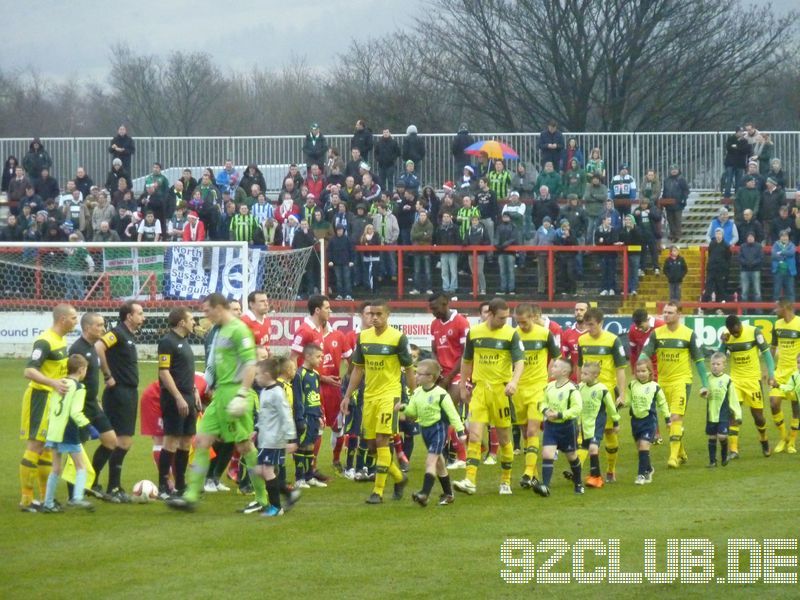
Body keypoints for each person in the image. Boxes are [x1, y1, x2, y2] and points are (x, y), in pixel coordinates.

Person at [167, 293, 268, 512]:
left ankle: (263, 497)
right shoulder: (220, 330)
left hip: (235, 392)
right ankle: (191, 496)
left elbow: (251, 364)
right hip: (220, 394)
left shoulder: (239, 330)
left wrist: (242, 394)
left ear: (219, 308)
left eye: (206, 310)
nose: (204, 315)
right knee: (202, 440)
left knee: (244, 446)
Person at [342, 300, 416, 504]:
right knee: (373, 446)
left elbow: (409, 369)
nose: (374, 317)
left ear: (387, 315)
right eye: (371, 314)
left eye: (378, 314)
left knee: (383, 440)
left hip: (389, 396)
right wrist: (347, 395)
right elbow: (358, 369)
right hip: (370, 396)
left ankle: (378, 491)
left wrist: (415, 395)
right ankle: (399, 478)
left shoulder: (398, 338)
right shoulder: (363, 338)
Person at [453, 298, 525, 496]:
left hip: (501, 392)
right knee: (474, 435)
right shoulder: (474, 333)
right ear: (490, 314)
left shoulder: (511, 334)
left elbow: (520, 362)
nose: (505, 321)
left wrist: (514, 382)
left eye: (507, 317)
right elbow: (467, 360)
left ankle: (505, 480)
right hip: (480, 391)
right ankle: (470, 480)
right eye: (502, 318)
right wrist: (463, 385)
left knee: (503, 438)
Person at [18, 304, 78, 512]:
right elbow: (29, 371)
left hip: (52, 399)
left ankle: (45, 498)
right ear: (62, 319)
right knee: (35, 446)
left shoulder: (61, 339)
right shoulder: (45, 341)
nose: (76, 321)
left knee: (45, 448)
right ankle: (26, 499)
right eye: (73, 317)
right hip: (39, 398)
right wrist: (52, 383)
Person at [640, 302, 709, 469]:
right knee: (670, 422)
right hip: (662, 382)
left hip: (681, 381)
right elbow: (645, 353)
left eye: (670, 312)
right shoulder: (656, 334)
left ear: (679, 314)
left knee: (676, 418)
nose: (666, 315)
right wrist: (641, 369)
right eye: (664, 312)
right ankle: (681, 452)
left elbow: (699, 361)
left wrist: (705, 384)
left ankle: (672, 458)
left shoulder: (689, 335)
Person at [94, 301, 144, 503]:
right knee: (122, 441)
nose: (143, 316)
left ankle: (94, 481)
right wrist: (107, 375)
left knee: (114, 441)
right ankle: (112, 486)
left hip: (128, 392)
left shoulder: (128, 335)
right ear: (128, 316)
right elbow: (98, 346)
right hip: (119, 392)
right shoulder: (117, 333)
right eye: (140, 313)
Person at [67, 313, 118, 501]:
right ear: (87, 328)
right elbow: (71, 380)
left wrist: (96, 400)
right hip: (79, 407)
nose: (103, 328)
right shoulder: (77, 350)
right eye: (99, 325)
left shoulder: (92, 348)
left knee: (111, 441)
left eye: (103, 324)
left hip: (92, 405)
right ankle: (74, 495)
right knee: (76, 450)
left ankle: (91, 481)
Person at [400, 359, 464, 507]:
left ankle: (424, 494)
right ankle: (448, 494)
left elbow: (453, 414)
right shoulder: (417, 393)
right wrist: (403, 408)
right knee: (440, 463)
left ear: (430, 377)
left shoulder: (441, 394)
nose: (416, 376)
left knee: (430, 462)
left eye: (419, 374)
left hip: (438, 430)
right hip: (425, 431)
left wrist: (460, 431)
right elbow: (413, 412)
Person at [577, 308, 628, 483]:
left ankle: (611, 470)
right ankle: (579, 469)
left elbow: (620, 369)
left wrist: (622, 394)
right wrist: (578, 388)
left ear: (600, 323)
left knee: (608, 431)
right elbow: (579, 366)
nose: (588, 328)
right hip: (586, 394)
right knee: (585, 431)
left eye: (591, 324)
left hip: (606, 393)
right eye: (586, 324)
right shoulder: (582, 340)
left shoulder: (613, 340)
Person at [513, 304, 560, 490]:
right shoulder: (513, 335)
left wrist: (549, 377)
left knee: (533, 430)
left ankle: (527, 472)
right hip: (518, 389)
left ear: (533, 317)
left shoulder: (544, 334)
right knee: (526, 433)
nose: (522, 326)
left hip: (538, 388)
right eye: (518, 322)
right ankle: (534, 474)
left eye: (524, 322)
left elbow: (556, 357)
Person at [155, 308, 200, 500]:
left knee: (186, 440)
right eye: (191, 319)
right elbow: (164, 372)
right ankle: (164, 485)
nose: (194, 322)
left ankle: (180, 484)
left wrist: (195, 390)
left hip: (189, 395)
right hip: (175, 399)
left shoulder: (184, 342)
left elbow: (185, 370)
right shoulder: (167, 342)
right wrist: (178, 397)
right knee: (171, 440)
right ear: (181, 322)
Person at [41, 354, 95, 512]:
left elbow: (52, 408)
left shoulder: (60, 383)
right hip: (68, 430)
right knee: (81, 466)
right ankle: (77, 498)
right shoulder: (79, 387)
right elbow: (75, 412)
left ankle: (48, 503)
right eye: (86, 369)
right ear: (81, 370)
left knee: (56, 468)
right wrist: (89, 427)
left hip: (54, 430)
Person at [531, 357, 584, 497]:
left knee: (572, 456)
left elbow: (577, 409)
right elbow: (541, 402)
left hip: (567, 427)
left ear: (564, 371)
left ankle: (578, 482)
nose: (552, 369)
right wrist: (545, 411)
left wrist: (560, 415)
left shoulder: (572, 389)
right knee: (547, 454)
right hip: (551, 426)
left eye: (555, 366)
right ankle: (545, 486)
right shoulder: (549, 386)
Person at [428, 294, 470, 468]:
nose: (433, 312)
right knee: (443, 414)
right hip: (443, 376)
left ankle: (461, 457)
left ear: (445, 304)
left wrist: (449, 378)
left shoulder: (461, 322)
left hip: (458, 375)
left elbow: (465, 354)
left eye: (435, 308)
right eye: (431, 309)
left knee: (448, 411)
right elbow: (434, 351)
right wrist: (438, 375)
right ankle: (476, 445)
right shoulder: (434, 324)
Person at [254, 358, 299, 517]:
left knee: (266, 471)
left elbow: (286, 416)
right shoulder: (265, 391)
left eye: (258, 374)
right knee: (260, 470)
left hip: (274, 440)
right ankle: (288, 494)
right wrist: (256, 429)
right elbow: (265, 416)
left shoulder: (277, 393)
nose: (256, 378)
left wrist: (291, 439)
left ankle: (275, 507)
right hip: (265, 439)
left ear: (266, 375)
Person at [623, 359, 671, 485]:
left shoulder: (655, 387)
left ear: (650, 372)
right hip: (635, 422)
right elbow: (628, 401)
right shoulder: (632, 385)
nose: (641, 374)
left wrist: (668, 419)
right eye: (638, 371)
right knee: (640, 448)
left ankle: (641, 475)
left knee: (644, 446)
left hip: (649, 422)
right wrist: (620, 402)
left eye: (644, 371)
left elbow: (663, 403)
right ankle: (649, 469)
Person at [575, 362, 619, 488]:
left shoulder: (602, 389)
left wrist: (615, 422)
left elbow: (611, 408)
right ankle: (591, 474)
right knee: (585, 447)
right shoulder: (580, 387)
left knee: (593, 448)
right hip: (585, 423)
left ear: (595, 375)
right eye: (582, 373)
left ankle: (597, 477)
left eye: (585, 374)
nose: (582, 376)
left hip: (597, 423)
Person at [291, 344, 327, 489]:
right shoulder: (299, 374)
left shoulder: (316, 375)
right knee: (302, 446)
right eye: (318, 357)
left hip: (314, 416)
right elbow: (298, 398)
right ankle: (299, 478)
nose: (321, 360)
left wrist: (319, 415)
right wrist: (300, 419)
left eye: (322, 357)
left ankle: (309, 476)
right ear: (307, 356)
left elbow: (317, 397)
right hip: (304, 416)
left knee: (310, 446)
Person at [769, 301, 800, 454]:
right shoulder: (777, 325)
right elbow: (773, 348)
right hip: (780, 372)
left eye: (777, 307)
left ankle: (792, 442)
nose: (775, 310)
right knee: (774, 403)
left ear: (785, 308)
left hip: (796, 373)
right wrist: (768, 369)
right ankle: (783, 437)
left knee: (796, 408)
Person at [705, 352, 742, 467]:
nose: (715, 366)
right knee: (712, 437)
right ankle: (712, 461)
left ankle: (724, 456)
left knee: (722, 436)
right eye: (713, 364)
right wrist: (703, 393)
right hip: (711, 413)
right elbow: (703, 392)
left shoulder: (727, 380)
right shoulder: (707, 377)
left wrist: (738, 414)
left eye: (718, 364)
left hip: (723, 414)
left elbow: (733, 398)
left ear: (724, 366)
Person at [561, 302, 589, 381]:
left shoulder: (593, 333)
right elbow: (563, 358)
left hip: (592, 379)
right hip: (574, 380)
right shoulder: (567, 333)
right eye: (576, 310)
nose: (578, 312)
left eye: (582, 310)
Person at [633, 197, 662, 274]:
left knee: (654, 251)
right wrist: (635, 214)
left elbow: (658, 217)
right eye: (642, 204)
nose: (644, 206)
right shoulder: (637, 210)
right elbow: (632, 219)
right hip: (642, 235)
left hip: (651, 234)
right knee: (642, 252)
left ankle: (656, 267)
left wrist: (650, 213)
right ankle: (642, 268)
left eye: (645, 204)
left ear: (648, 204)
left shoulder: (653, 209)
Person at [661, 165, 690, 242]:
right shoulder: (666, 180)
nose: (674, 171)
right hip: (668, 203)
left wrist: (683, 199)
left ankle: (677, 234)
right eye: (672, 169)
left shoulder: (681, 179)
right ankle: (672, 233)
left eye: (675, 169)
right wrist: (663, 200)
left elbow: (686, 190)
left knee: (677, 219)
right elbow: (665, 191)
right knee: (670, 219)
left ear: (678, 170)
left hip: (678, 203)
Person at [409, 209, 434, 295]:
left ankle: (429, 288)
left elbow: (429, 237)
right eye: (421, 215)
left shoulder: (430, 225)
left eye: (424, 215)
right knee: (416, 271)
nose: (422, 217)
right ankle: (416, 289)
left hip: (426, 250)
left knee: (428, 271)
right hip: (417, 250)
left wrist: (419, 237)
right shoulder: (415, 224)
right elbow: (412, 236)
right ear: (419, 216)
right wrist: (423, 233)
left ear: (426, 216)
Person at [703, 228, 731, 302]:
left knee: (720, 288)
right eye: (717, 234)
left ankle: (719, 307)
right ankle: (703, 306)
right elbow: (710, 254)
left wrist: (724, 268)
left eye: (720, 234)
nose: (718, 236)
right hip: (711, 269)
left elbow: (728, 257)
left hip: (721, 270)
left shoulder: (726, 245)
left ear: (722, 235)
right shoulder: (712, 243)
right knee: (708, 287)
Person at [496, 211, 520, 295]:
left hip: (510, 252)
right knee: (502, 271)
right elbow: (496, 237)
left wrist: (503, 245)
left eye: (506, 217)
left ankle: (511, 289)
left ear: (509, 218)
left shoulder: (513, 227)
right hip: (501, 252)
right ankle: (503, 289)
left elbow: (514, 238)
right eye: (504, 217)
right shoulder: (499, 227)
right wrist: (498, 244)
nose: (505, 218)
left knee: (510, 271)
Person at [532, 216, 556, 296]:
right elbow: (535, 242)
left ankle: (552, 288)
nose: (546, 223)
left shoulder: (553, 232)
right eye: (545, 222)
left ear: (550, 223)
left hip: (550, 254)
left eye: (548, 222)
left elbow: (555, 242)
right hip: (540, 254)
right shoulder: (539, 231)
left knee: (551, 272)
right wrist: (535, 252)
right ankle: (541, 289)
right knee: (541, 272)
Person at [722, 127, 749, 200]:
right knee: (729, 180)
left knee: (739, 181)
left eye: (742, 132)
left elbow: (745, 150)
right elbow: (728, 148)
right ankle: (727, 195)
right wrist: (737, 145)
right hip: (730, 163)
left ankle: (737, 195)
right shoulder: (731, 138)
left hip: (740, 164)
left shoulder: (745, 141)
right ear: (736, 132)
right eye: (739, 132)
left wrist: (736, 147)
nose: (741, 133)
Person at [594, 216, 619, 296]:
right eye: (608, 220)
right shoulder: (598, 230)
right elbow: (597, 242)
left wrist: (603, 240)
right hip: (602, 255)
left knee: (611, 272)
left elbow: (614, 240)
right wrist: (606, 240)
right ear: (603, 220)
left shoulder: (613, 229)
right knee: (604, 272)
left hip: (612, 254)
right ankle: (604, 288)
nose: (609, 222)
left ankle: (612, 288)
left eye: (610, 220)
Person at [771, 229, 796, 302]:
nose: (784, 238)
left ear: (788, 237)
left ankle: (791, 311)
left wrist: (781, 252)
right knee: (776, 292)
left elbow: (791, 253)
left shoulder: (792, 245)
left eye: (786, 236)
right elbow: (774, 255)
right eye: (783, 236)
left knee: (790, 292)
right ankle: (776, 310)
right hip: (778, 271)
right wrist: (784, 255)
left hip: (789, 271)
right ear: (780, 237)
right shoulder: (775, 245)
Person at [739, 232, 763, 305]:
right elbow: (740, 257)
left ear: (754, 238)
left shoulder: (759, 246)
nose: (750, 238)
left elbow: (761, 258)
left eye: (751, 237)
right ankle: (744, 312)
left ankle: (758, 311)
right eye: (749, 237)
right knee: (744, 292)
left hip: (756, 270)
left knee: (757, 291)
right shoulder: (742, 246)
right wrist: (746, 263)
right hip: (744, 270)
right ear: (746, 238)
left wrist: (753, 263)